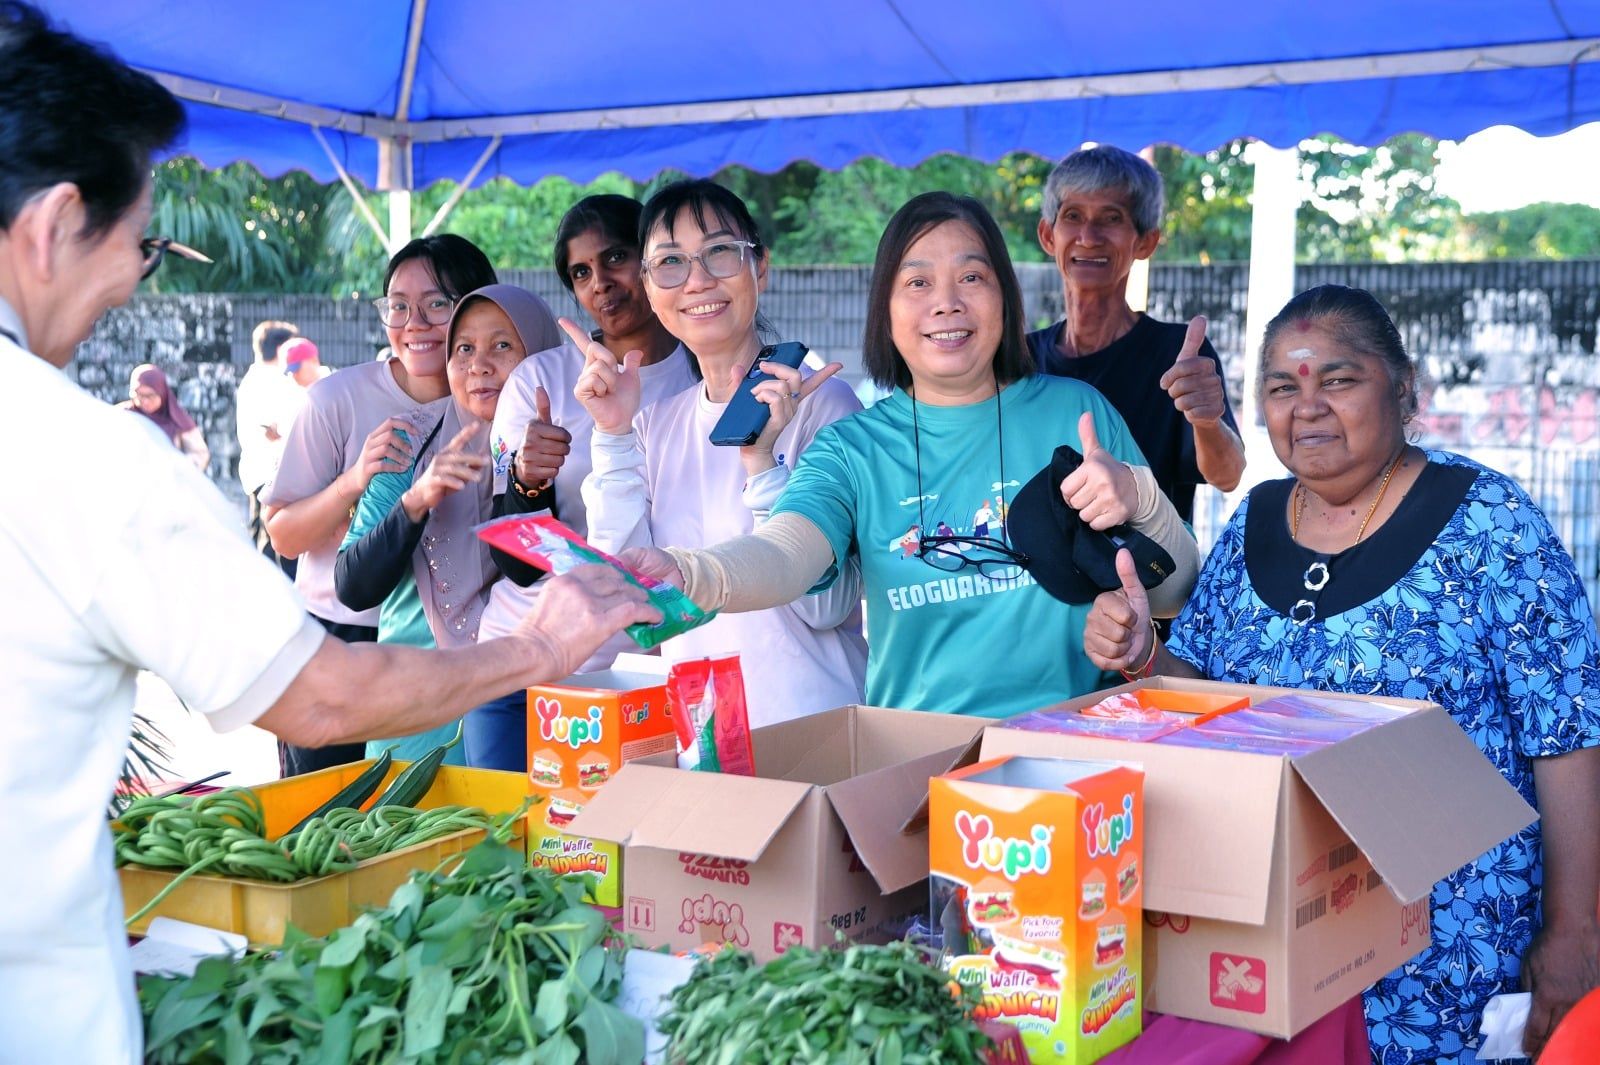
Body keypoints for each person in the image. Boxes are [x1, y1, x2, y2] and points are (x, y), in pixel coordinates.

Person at [0, 5, 658, 1061]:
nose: (136, 277)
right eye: (143, 245)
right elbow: (323, 688)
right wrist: (539, 650)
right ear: (51, 225)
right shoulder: (84, 457)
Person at [1082, 284, 1600, 1062]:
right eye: (1283, 387)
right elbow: (1208, 700)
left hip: (1449, 966)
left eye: (1339, 378)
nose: (1309, 406)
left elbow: (1568, 734)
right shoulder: (1252, 520)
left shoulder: (1491, 522)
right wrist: (1142, 659)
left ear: (1402, 386)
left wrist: (1573, 934)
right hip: (1278, 958)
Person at [623, 192, 1200, 720]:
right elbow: (787, 553)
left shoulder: (1075, 412)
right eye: (917, 283)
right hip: (915, 762)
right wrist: (689, 572)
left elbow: (1173, 596)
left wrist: (1138, 493)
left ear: (1005, 296)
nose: (947, 304)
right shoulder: (852, 450)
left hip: (1074, 749)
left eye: (971, 277)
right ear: (887, 310)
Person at [575, 179, 869, 726]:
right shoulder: (653, 424)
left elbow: (827, 608)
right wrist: (612, 434)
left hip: (815, 728)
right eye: (671, 263)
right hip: (704, 736)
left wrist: (765, 468)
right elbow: (628, 602)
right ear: (648, 287)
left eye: (719, 253)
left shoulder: (821, 403)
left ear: (760, 267)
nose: (698, 280)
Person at [262, 233, 498, 777]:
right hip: (338, 636)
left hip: (436, 650)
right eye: (398, 305)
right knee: (326, 814)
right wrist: (354, 482)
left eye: (437, 303)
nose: (413, 322)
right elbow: (284, 536)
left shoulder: (499, 399)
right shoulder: (336, 400)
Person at [336, 285, 561, 769]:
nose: (479, 365)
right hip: (415, 722)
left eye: (503, 346)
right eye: (464, 349)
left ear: (540, 356)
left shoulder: (574, 443)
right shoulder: (411, 443)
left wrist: (533, 479)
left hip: (540, 713)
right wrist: (417, 501)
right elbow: (352, 585)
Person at [481, 195, 697, 675]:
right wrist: (526, 480)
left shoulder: (706, 376)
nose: (600, 284)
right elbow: (517, 567)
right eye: (581, 273)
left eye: (616, 257)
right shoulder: (541, 382)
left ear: (652, 257)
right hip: (527, 657)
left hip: (653, 665)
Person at [1031, 145, 1245, 521]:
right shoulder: (1020, 359)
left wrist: (1207, 421)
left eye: (1111, 218)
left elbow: (1228, 476)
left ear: (1145, 241)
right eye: (1073, 216)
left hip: (1151, 577)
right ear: (1048, 235)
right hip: (1037, 579)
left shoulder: (1178, 355)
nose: (1088, 236)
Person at [236, 319, 299, 575]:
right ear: (280, 348)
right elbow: (270, 429)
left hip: (256, 472)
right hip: (270, 473)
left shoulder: (253, 378)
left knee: (261, 535)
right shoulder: (270, 380)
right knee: (271, 544)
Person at [122, 363, 210, 472]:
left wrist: (178, 466)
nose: (144, 401)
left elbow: (199, 454)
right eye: (139, 395)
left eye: (150, 396)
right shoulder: (124, 414)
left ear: (162, 393)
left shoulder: (177, 419)